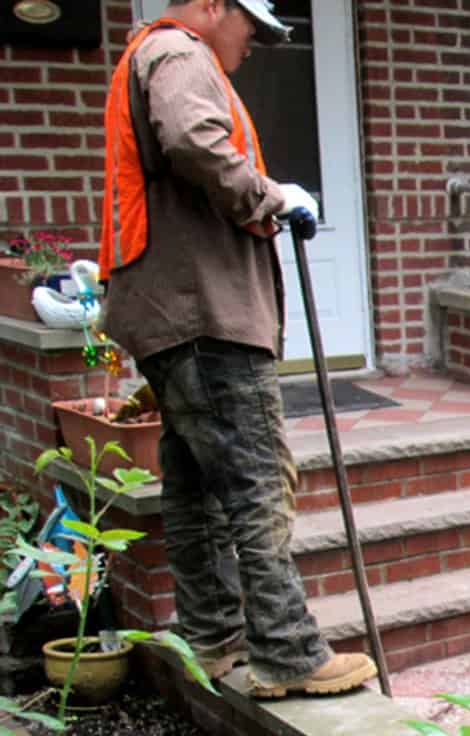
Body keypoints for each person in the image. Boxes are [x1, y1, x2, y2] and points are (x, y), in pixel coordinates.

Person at [99, 0, 376, 699]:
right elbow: (194, 139)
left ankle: (212, 638)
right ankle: (285, 650)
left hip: (168, 312)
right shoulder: (179, 53)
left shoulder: (153, 54)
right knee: (258, 479)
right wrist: (271, 197)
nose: (255, 42)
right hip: (204, 313)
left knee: (194, 484)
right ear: (213, 6)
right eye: (252, 24)